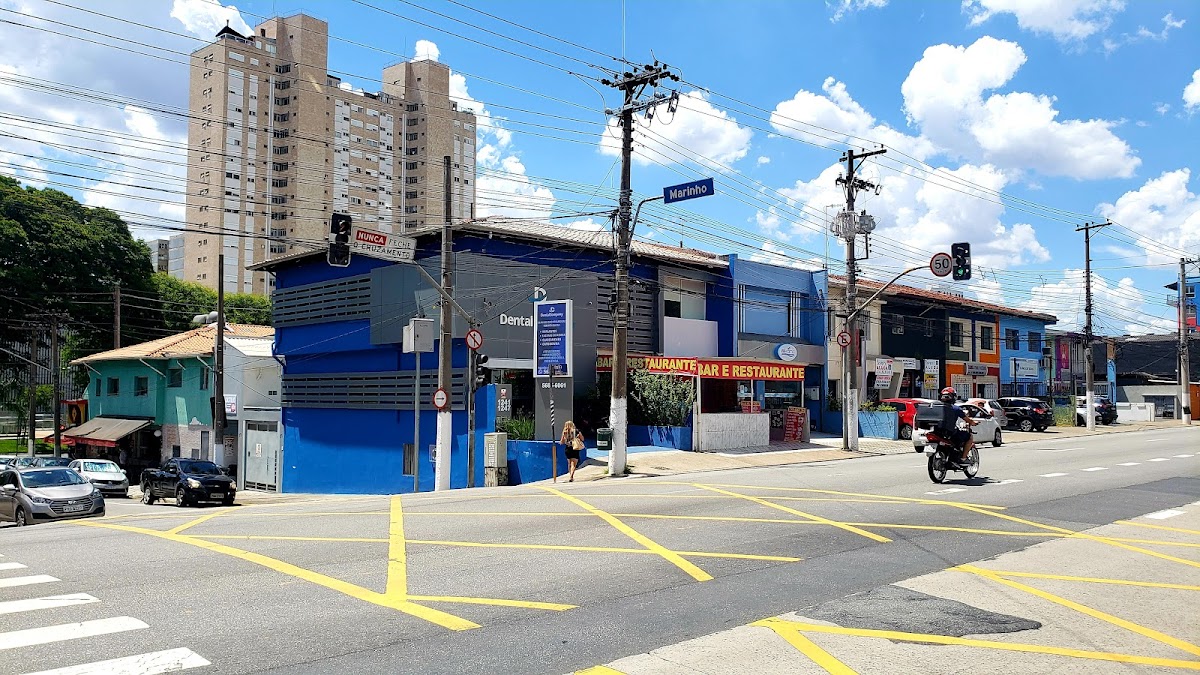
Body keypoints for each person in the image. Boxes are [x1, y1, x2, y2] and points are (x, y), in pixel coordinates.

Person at [935, 387, 978, 464]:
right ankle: (963, 458)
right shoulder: (956, 409)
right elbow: (967, 420)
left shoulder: (935, 407)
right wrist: (973, 422)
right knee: (969, 437)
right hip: (950, 433)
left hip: (936, 432)